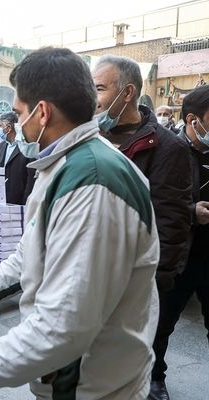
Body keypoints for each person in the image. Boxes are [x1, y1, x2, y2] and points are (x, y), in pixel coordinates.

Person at [0, 47, 160, 399]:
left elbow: (62, 327)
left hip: (93, 387)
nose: (17, 124)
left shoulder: (91, 184)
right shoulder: (66, 166)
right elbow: (26, 259)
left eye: (19, 113)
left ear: (42, 112)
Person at [93, 55, 192, 294]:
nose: (92, 99)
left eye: (99, 89)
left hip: (134, 284)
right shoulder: (88, 139)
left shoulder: (167, 148)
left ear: (127, 93)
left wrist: (152, 287)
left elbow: (170, 227)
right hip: (93, 276)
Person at [149, 85, 209, 400]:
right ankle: (155, 379)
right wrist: (191, 211)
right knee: (162, 325)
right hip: (180, 255)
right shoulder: (168, 151)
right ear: (192, 119)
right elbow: (154, 203)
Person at [0, 111, 36, 205]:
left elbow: (30, 179)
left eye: (0, 126)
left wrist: (26, 202)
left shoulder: (26, 147)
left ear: (9, 127)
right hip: (2, 201)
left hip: (19, 203)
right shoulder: (1, 147)